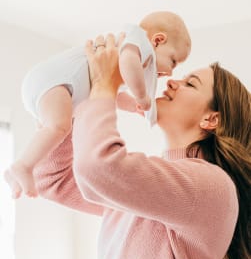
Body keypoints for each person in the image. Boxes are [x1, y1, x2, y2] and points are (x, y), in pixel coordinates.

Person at [7, 34, 251, 259]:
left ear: (211, 119)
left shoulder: (212, 186)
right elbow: (51, 177)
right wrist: (76, 97)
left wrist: (104, 88)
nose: (173, 82)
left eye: (190, 84)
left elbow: (99, 168)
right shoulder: (148, 188)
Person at [4, 11, 191, 199]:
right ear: (158, 40)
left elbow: (110, 93)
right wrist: (142, 96)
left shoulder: (130, 57)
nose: (170, 73)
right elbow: (127, 63)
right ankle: (23, 166)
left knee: (50, 130)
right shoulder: (138, 43)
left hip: (51, 86)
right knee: (59, 126)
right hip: (54, 81)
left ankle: (19, 169)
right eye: (173, 61)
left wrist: (134, 106)